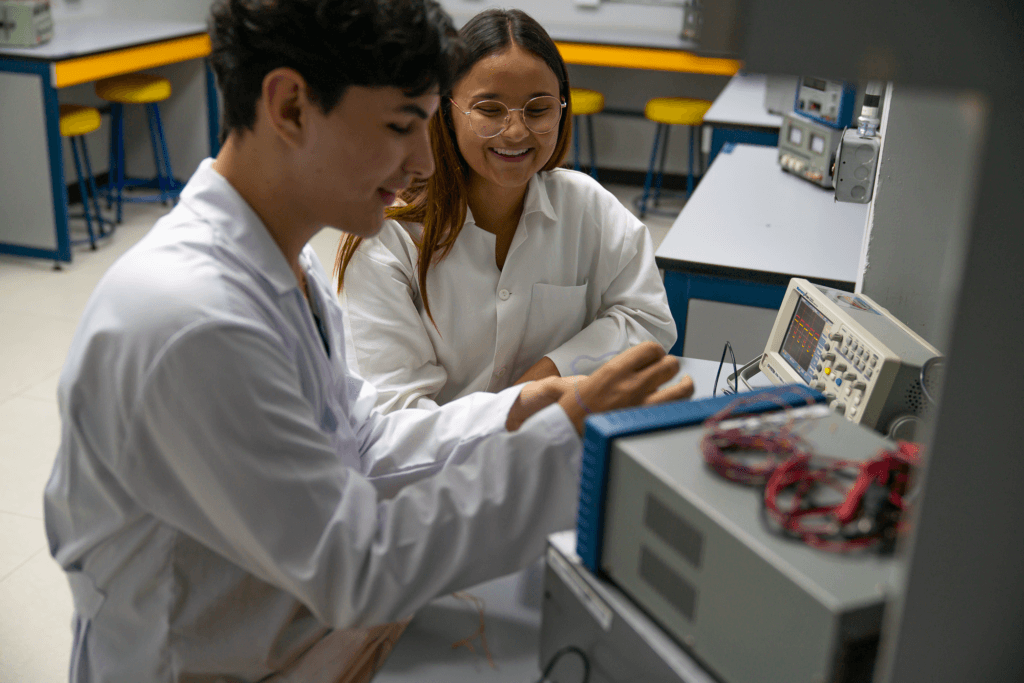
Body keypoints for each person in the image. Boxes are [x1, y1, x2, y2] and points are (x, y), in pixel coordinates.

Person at [42, 0, 693, 681]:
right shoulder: (193, 319)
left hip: (306, 642)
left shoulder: (284, 268)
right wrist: (560, 451)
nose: (421, 161)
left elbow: (364, 446)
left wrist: (526, 412)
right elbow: (354, 564)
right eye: (401, 124)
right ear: (291, 106)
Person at [335, 8, 677, 414]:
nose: (516, 132)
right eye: (489, 110)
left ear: (562, 109)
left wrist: (548, 372)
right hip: (436, 471)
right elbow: (396, 416)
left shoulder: (587, 208)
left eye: (537, 109)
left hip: (553, 452)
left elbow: (649, 318)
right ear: (445, 110)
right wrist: (515, 411)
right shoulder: (388, 233)